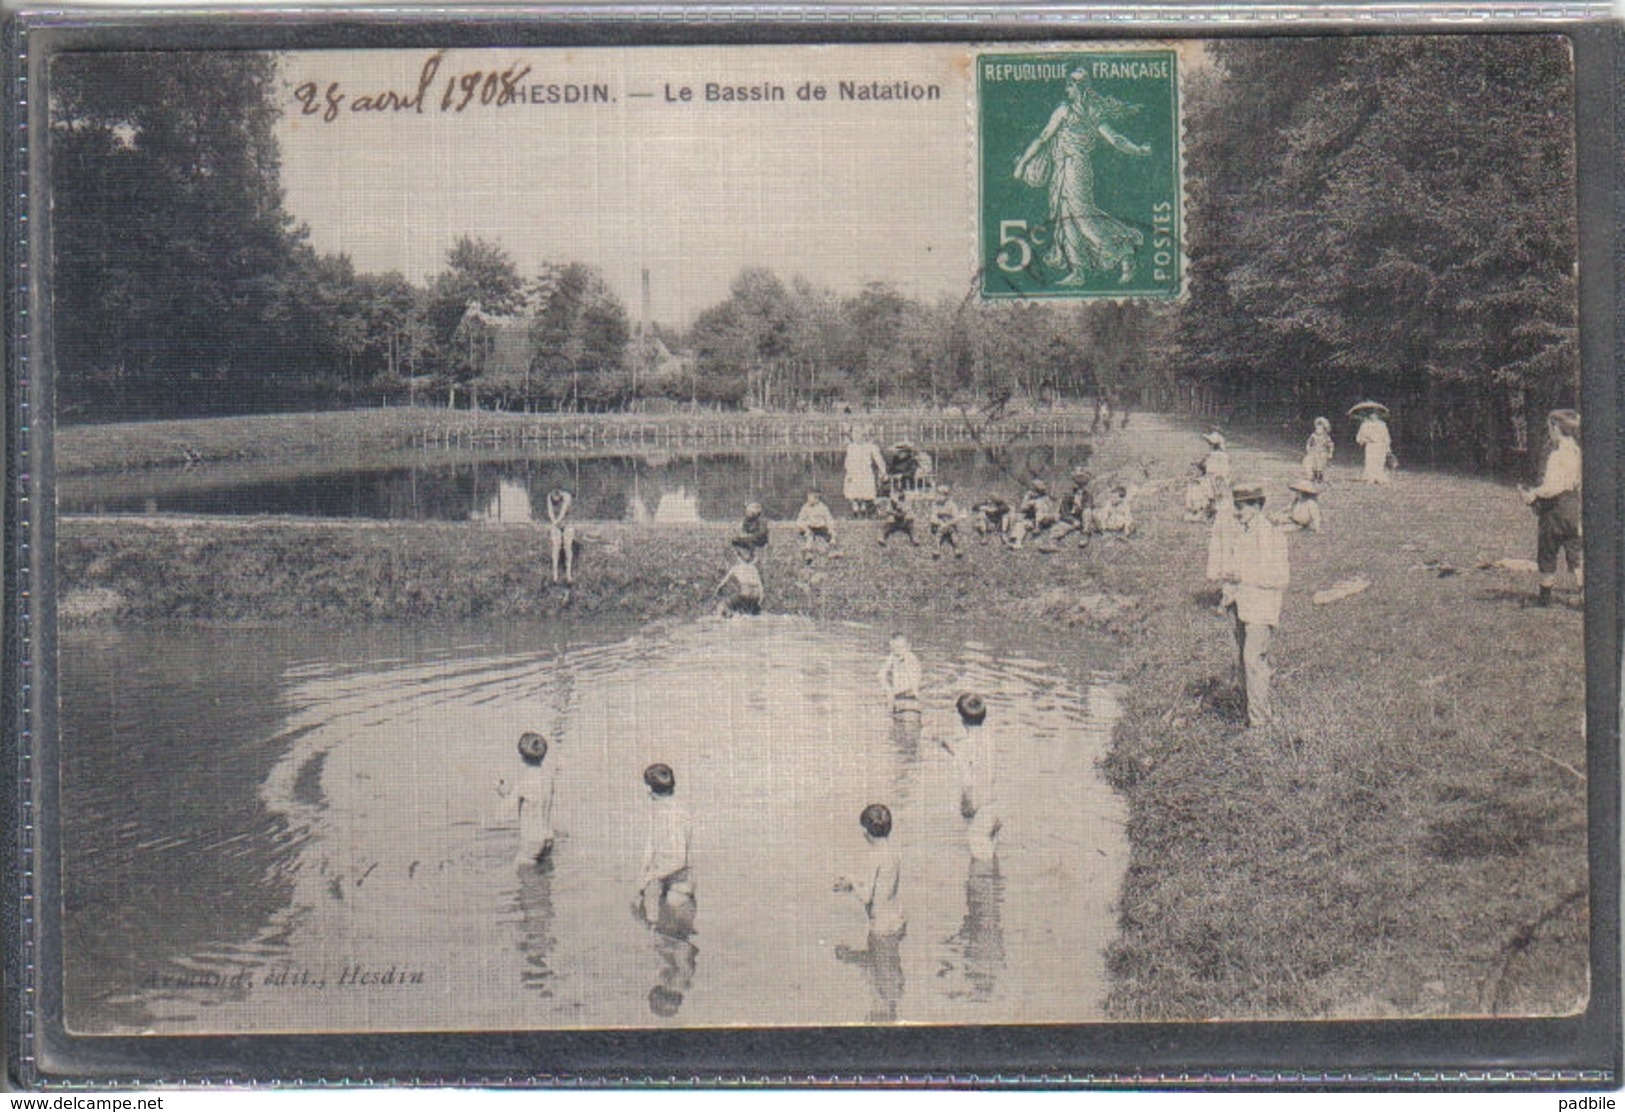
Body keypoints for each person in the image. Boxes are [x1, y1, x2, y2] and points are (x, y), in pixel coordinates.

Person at [1014, 68, 1152, 286]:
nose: (1067, 89)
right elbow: (1115, 140)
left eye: (1070, 85)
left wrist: (1022, 164)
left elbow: (1043, 138)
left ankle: (1125, 252)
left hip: (1075, 168)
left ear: (1076, 87)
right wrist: (1139, 150)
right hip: (1063, 168)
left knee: (1081, 215)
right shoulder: (1087, 111)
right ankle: (1078, 271)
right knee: (1065, 217)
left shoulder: (1073, 111)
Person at [1210, 484, 1290, 729]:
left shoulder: (1271, 535)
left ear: (1256, 506)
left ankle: (1260, 721)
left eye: (1241, 507)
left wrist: (1242, 575)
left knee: (1253, 660)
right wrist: (1229, 590)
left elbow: (1279, 578)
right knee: (1242, 661)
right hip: (1240, 605)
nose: (1237, 512)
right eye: (1235, 507)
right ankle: (1249, 711)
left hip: (1261, 608)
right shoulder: (1243, 534)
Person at [833, 803, 907, 1021]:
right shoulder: (892, 853)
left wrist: (851, 881)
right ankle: (890, 1011)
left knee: (880, 982)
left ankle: (884, 1017)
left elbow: (866, 896)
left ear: (866, 832)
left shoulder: (873, 857)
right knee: (888, 973)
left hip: (882, 927)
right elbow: (884, 889)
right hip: (897, 919)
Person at [1521, 409, 1582, 607]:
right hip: (1573, 506)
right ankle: (1584, 595)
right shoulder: (1576, 450)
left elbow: (1551, 487)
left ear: (1555, 428)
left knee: (1548, 549)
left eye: (1550, 427)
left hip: (1555, 509)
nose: (1549, 432)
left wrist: (1533, 494)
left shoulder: (1557, 455)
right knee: (1574, 551)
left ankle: (1545, 598)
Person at [939, 693, 1000, 862]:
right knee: (992, 865)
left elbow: (967, 782)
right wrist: (949, 748)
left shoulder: (963, 745)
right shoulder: (989, 740)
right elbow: (977, 763)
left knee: (979, 873)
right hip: (994, 809)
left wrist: (966, 808)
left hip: (978, 811)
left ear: (961, 720)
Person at [636, 763, 694, 927]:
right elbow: (651, 844)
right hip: (666, 883)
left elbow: (679, 860)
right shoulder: (659, 811)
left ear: (649, 789)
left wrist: (649, 877)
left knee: (676, 942)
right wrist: (643, 874)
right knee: (662, 940)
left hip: (679, 889)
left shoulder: (675, 817)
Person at [501, 731, 558, 865]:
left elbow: (502, 814)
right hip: (548, 837)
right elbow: (535, 799)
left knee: (525, 878)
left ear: (521, 757)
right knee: (544, 874)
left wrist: (503, 794)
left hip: (532, 840)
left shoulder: (523, 782)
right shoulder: (548, 779)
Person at [843, 426, 889, 518]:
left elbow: (879, 460)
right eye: (855, 434)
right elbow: (848, 461)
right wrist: (849, 472)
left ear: (864, 435)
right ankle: (855, 511)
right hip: (854, 472)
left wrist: (883, 471)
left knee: (865, 493)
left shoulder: (870, 446)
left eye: (860, 434)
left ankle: (864, 510)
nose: (858, 436)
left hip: (865, 472)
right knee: (853, 493)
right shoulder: (851, 447)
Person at [878, 632, 923, 716]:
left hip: (910, 700)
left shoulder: (913, 661)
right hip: (896, 698)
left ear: (909, 647)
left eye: (900, 648)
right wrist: (887, 689)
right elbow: (881, 674)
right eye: (894, 649)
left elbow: (913, 685)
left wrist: (892, 693)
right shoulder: (894, 656)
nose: (897, 652)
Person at [1006, 480, 1058, 549]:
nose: (1033, 491)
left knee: (1038, 505)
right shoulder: (1029, 495)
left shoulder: (1046, 497)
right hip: (1033, 519)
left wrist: (1035, 503)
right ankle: (1017, 543)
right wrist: (1029, 502)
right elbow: (1022, 508)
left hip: (1045, 519)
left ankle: (1037, 527)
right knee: (1021, 523)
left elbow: (1048, 508)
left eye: (1035, 489)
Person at [714, 547, 764, 617]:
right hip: (756, 598)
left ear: (738, 558)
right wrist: (760, 600)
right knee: (746, 609)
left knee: (723, 605)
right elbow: (760, 587)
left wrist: (717, 591)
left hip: (745, 595)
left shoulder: (735, 568)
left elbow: (722, 584)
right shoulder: (753, 568)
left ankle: (725, 617)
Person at [1051, 468, 1096, 543]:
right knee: (1059, 528)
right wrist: (1072, 520)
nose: (1080, 485)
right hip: (1071, 518)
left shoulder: (1088, 495)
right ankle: (1052, 543)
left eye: (1083, 482)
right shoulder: (1068, 495)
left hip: (1083, 518)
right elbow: (1064, 511)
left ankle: (1085, 534)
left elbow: (1088, 506)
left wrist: (1080, 509)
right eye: (1078, 481)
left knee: (1087, 512)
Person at [795, 491, 839, 563]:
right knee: (809, 538)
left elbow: (829, 519)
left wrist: (831, 529)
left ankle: (833, 551)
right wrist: (804, 528)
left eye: (812, 497)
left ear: (817, 498)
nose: (809, 499)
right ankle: (808, 554)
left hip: (821, 527)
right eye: (808, 497)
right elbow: (799, 520)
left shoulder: (823, 508)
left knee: (832, 537)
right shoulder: (805, 508)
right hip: (809, 527)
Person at [545, 488, 577, 585]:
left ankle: (568, 574)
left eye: (557, 501)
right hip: (556, 523)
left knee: (567, 547)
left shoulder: (567, 497)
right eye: (554, 501)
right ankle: (555, 575)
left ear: (560, 496)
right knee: (556, 547)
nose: (555, 503)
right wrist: (554, 523)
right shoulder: (549, 497)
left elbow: (563, 513)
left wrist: (555, 523)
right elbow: (550, 512)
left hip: (567, 523)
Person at [1355, 408, 1392, 485]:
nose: (1374, 416)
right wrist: (1365, 440)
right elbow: (1360, 437)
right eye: (1372, 414)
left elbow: (1386, 436)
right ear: (1369, 415)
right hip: (1371, 445)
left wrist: (1387, 447)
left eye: (1376, 414)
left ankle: (1379, 477)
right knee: (1370, 461)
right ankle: (1370, 477)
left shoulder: (1382, 425)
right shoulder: (1365, 425)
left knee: (1380, 461)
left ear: (1378, 415)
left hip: (1381, 445)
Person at [928, 485, 965, 560]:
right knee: (938, 535)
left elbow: (956, 517)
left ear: (946, 496)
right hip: (940, 523)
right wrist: (939, 522)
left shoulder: (952, 505)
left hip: (949, 523)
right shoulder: (935, 505)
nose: (938, 497)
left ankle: (957, 548)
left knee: (954, 535)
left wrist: (948, 523)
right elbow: (932, 517)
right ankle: (936, 548)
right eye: (937, 495)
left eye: (940, 495)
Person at [1200, 432, 1231, 514]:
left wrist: (1199, 465)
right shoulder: (1225, 455)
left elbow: (1203, 465)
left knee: (1209, 492)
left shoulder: (1210, 455)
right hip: (1223, 476)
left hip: (1212, 476)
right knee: (1221, 493)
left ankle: (1211, 509)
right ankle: (1221, 509)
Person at [1303, 417, 1334, 484]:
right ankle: (1313, 476)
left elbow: (1330, 445)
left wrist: (1330, 453)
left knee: (1321, 466)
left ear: (1324, 430)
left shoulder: (1326, 437)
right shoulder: (1313, 436)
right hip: (1314, 452)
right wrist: (1308, 448)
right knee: (1314, 465)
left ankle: (1320, 476)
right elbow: (1309, 443)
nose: (1318, 430)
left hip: (1322, 454)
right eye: (1317, 429)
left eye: (1320, 429)